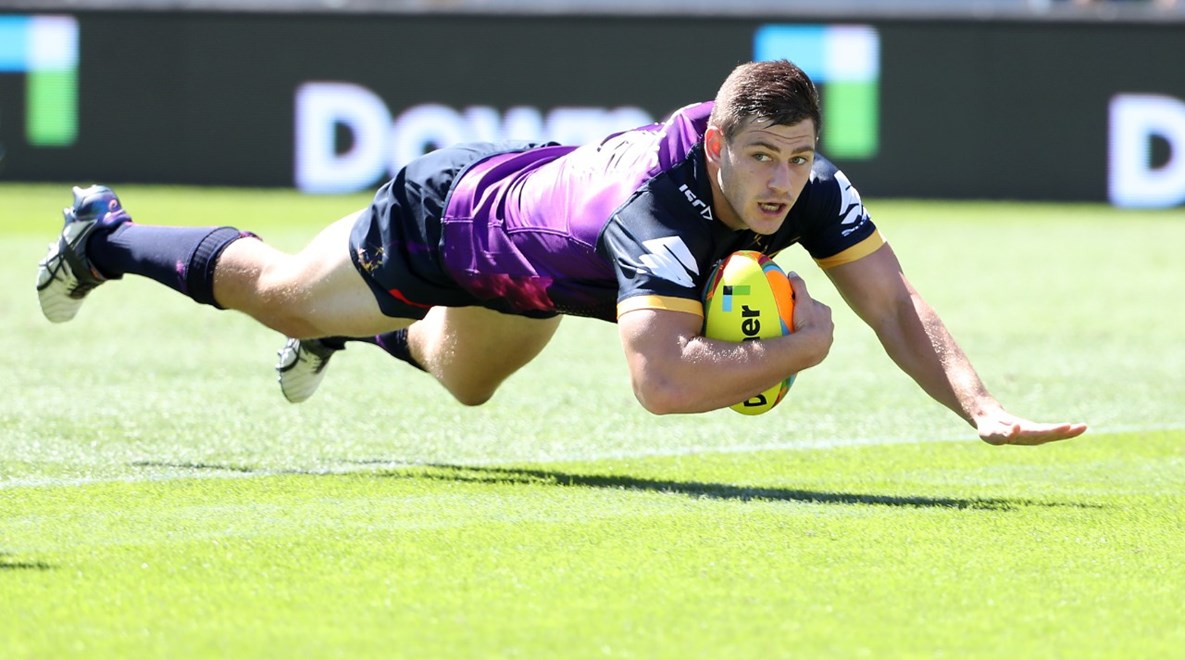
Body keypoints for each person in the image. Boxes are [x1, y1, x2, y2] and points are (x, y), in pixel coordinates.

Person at [36, 59, 1086, 446]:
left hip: (532, 274)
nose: (781, 182)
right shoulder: (658, 214)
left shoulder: (806, 185)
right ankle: (106, 237)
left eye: (799, 158)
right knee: (282, 296)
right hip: (452, 221)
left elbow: (893, 303)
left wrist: (980, 408)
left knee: (465, 382)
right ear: (717, 146)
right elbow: (662, 386)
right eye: (761, 158)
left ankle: (361, 334)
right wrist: (800, 346)